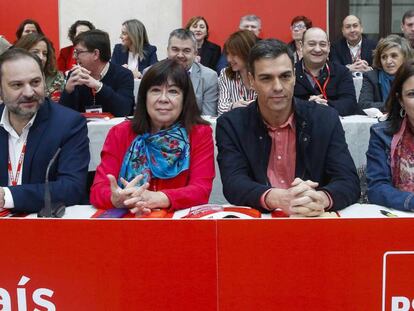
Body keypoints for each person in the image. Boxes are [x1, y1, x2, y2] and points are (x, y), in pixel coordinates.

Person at [216, 39, 360, 215]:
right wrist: (277, 198)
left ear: (293, 76)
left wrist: (320, 198)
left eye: (285, 76)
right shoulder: (231, 124)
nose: (277, 87)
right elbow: (234, 184)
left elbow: (348, 181)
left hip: (313, 218)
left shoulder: (325, 118)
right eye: (266, 78)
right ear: (252, 81)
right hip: (259, 222)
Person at [90, 59, 215, 214]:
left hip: (177, 225)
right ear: (144, 97)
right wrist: (116, 198)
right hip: (127, 220)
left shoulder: (199, 134)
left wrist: (158, 198)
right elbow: (98, 190)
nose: (163, 98)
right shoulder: (121, 133)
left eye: (173, 91)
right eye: (156, 90)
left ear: (185, 99)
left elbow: (201, 190)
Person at [0, 48, 89, 213]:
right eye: (17, 85)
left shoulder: (68, 124)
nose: (29, 92)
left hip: (45, 228)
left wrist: (7, 196)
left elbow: (72, 188)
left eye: (35, 82)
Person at [366, 59, 414, 211]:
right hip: (401, 217)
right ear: (400, 100)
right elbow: (377, 188)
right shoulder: (382, 134)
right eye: (412, 94)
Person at [59, 29, 135, 117]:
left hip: (113, 129)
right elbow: (63, 115)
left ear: (95, 54)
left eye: (78, 52)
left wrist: (98, 86)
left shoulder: (123, 75)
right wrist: (68, 91)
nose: (74, 56)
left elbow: (124, 110)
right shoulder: (75, 76)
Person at [294, 27, 359, 116]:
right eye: (312, 44)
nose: (317, 49)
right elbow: (284, 103)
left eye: (322, 44)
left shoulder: (342, 72)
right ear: (301, 46)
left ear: (328, 47)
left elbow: (350, 104)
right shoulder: (290, 73)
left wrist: (325, 105)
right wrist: (308, 105)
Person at [166, 28, 218, 116]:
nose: (180, 55)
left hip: (193, 127)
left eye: (186, 51)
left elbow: (208, 118)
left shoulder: (209, 77)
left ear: (195, 53)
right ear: (167, 50)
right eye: (175, 49)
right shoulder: (150, 73)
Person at [358, 35, 413, 111]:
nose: (388, 61)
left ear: (405, 57)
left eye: (394, 56)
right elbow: (363, 106)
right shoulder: (371, 76)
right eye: (384, 57)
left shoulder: (411, 76)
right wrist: (398, 105)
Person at [14, 33, 65, 101]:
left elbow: (56, 105)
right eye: (35, 52)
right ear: (22, 53)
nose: (41, 58)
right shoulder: (10, 76)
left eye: (44, 54)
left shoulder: (56, 77)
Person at [217, 30, 258, 115]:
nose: (228, 59)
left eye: (234, 54)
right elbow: (221, 108)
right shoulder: (225, 74)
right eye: (228, 54)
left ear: (246, 52)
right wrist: (233, 106)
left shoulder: (262, 75)